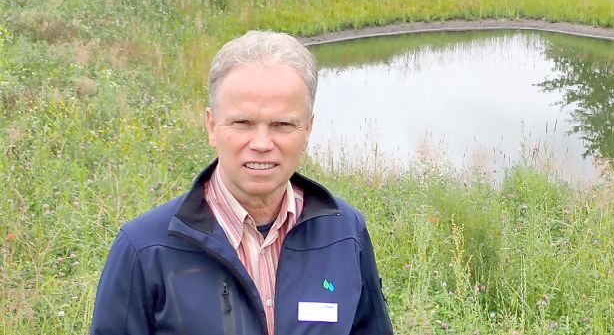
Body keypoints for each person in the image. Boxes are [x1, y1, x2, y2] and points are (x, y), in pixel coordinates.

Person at [91, 30, 393, 335]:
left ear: (308, 129)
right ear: (211, 126)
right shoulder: (145, 249)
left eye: (282, 124)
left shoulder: (345, 233)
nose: (262, 143)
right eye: (242, 123)